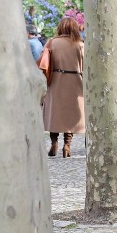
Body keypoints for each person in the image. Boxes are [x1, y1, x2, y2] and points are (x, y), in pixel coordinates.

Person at [41, 16, 85, 158]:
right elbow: (85, 66)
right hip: (75, 81)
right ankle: (67, 146)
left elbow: (43, 62)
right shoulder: (79, 44)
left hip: (55, 81)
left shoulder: (51, 43)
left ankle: (54, 144)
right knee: (70, 115)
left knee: (55, 114)